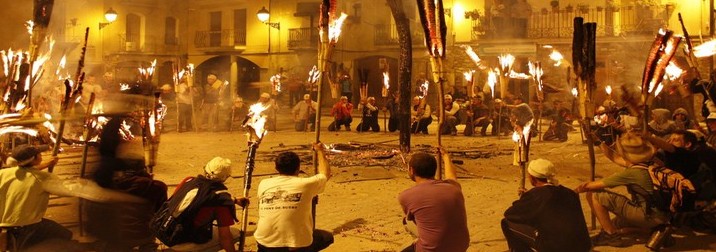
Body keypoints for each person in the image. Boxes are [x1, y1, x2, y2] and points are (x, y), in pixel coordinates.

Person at [575, 132, 667, 247]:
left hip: (648, 216)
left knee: (594, 195)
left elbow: (589, 186)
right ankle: (645, 229)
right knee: (616, 223)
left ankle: (611, 236)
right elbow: (615, 158)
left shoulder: (633, 172)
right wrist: (597, 141)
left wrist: (568, 192)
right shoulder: (654, 164)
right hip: (662, 214)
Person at [254, 143, 334, 251]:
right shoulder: (306, 184)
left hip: (264, 242)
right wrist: (319, 150)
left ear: (276, 168)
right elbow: (325, 173)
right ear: (298, 168)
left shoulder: (264, 183)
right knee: (327, 237)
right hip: (294, 246)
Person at [502, 159, 591, 252]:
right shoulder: (569, 192)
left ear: (532, 178)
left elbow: (510, 214)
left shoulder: (536, 195)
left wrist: (525, 198)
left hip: (556, 247)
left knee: (506, 223)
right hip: (582, 246)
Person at [170, 157, 249, 252]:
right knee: (235, 234)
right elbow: (224, 238)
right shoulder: (221, 202)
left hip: (168, 230)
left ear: (205, 169)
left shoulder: (189, 180)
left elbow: (199, 197)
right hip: (183, 240)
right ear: (225, 178)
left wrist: (234, 200)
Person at [0, 145, 70, 250]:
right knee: (64, 235)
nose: (41, 155)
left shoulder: (2, 173)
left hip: (3, 224)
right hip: (27, 226)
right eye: (39, 154)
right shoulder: (43, 177)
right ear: (34, 159)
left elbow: (24, 171)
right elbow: (66, 190)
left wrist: (47, 164)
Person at [398, 149, 469, 251]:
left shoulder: (406, 196)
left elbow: (414, 221)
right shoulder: (453, 187)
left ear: (412, 170)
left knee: (407, 221)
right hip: (461, 246)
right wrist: (446, 157)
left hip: (431, 250)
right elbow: (452, 175)